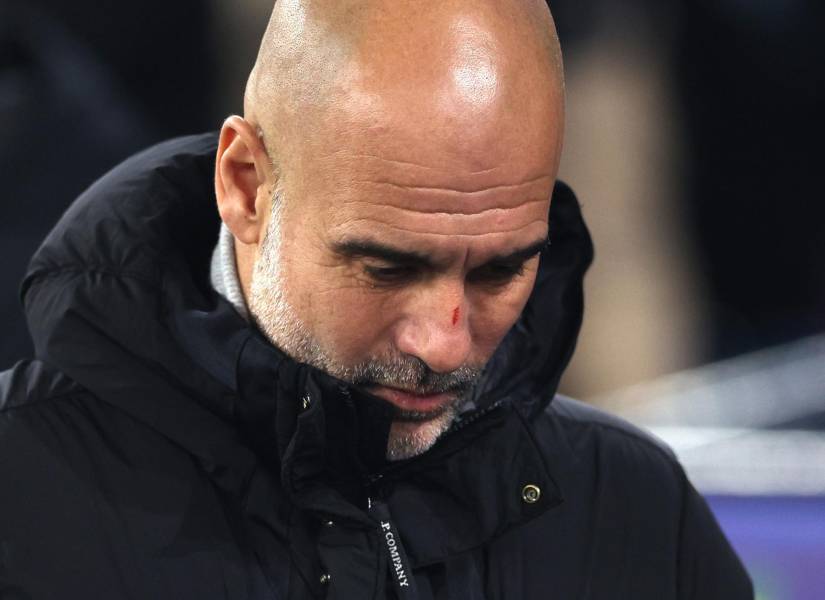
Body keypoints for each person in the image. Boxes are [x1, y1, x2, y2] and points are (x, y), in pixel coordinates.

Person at [0, 1, 752, 598]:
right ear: (246, 186)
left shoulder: (638, 513)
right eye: (387, 268)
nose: (445, 344)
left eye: (500, 271)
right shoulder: (21, 498)